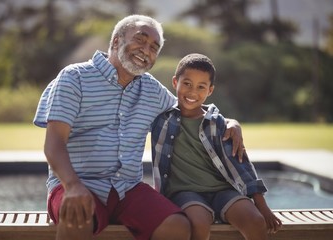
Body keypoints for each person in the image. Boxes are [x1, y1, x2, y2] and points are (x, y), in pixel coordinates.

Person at [34, 15, 244, 240]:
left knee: (176, 225)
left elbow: (190, 107)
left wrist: (228, 121)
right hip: (75, 183)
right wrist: (73, 186)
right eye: (140, 40)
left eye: (154, 47)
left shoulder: (152, 90)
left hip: (127, 190)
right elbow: (54, 143)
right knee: (77, 215)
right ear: (116, 41)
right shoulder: (74, 77)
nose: (146, 50)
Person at [151, 53, 282, 240]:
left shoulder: (218, 124)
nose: (192, 92)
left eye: (201, 87)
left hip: (224, 190)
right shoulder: (161, 119)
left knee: (255, 221)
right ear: (175, 82)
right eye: (186, 83)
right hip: (185, 193)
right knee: (198, 222)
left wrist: (262, 206)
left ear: (210, 90)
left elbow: (241, 164)